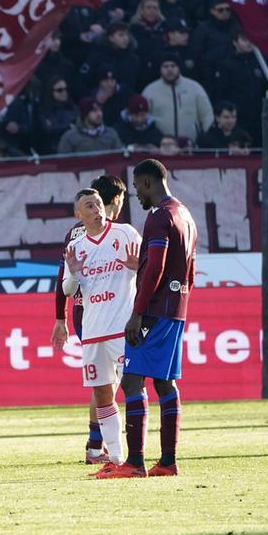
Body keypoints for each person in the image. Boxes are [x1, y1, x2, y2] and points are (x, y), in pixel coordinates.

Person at [95, 159, 197, 479]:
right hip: (177, 307)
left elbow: (154, 266)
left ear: (149, 182)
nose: (136, 194)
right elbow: (189, 268)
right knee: (165, 382)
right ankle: (167, 461)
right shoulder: (184, 214)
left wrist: (138, 313)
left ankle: (135, 462)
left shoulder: (158, 217)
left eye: (138, 186)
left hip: (155, 309)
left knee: (131, 379)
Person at [51, 174, 130, 463]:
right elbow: (66, 277)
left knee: (104, 382)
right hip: (105, 314)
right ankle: (98, 447)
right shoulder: (107, 234)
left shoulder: (77, 231)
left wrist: (61, 317)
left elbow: (62, 279)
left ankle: (97, 446)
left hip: (85, 313)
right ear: (117, 200)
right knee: (113, 382)